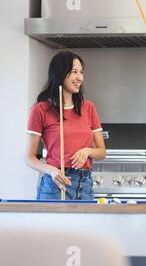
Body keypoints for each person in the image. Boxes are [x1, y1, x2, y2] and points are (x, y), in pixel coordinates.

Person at [26, 51, 106, 200]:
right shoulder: (40, 109)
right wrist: (51, 171)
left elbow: (102, 152)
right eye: (74, 72)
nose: (80, 78)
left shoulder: (88, 107)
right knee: (53, 225)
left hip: (85, 184)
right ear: (60, 73)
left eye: (81, 72)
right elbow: (30, 158)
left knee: (85, 224)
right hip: (56, 185)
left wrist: (88, 151)